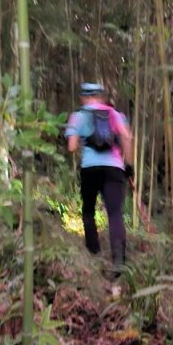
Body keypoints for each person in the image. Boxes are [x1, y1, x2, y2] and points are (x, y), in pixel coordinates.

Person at [65, 81, 134, 274]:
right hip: (114, 167)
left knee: (88, 210)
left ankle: (93, 252)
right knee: (115, 213)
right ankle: (119, 260)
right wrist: (128, 164)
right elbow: (127, 137)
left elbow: (71, 147)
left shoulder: (77, 117)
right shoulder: (115, 114)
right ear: (102, 96)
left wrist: (82, 142)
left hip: (90, 167)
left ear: (83, 97)